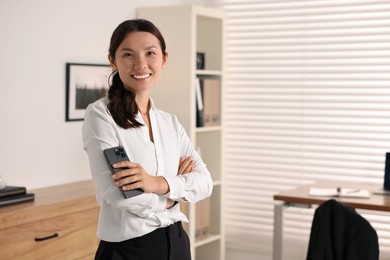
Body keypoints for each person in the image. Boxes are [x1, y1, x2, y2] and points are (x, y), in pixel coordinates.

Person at [82, 19, 213, 260]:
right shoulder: (100, 115)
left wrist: (155, 183)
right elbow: (121, 197)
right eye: (128, 54)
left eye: (150, 53)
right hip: (129, 250)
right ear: (113, 60)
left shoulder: (170, 122)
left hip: (177, 243)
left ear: (164, 59)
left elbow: (205, 182)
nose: (140, 64)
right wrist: (175, 194)